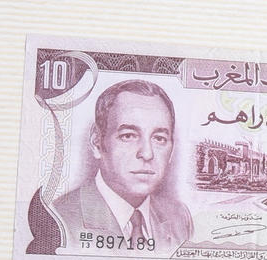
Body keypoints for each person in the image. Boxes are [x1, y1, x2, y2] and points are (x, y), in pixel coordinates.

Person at [53, 80, 192, 250]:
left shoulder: (180, 217)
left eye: (159, 138)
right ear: (97, 143)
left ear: (171, 149)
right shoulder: (57, 220)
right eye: (128, 136)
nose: (147, 154)